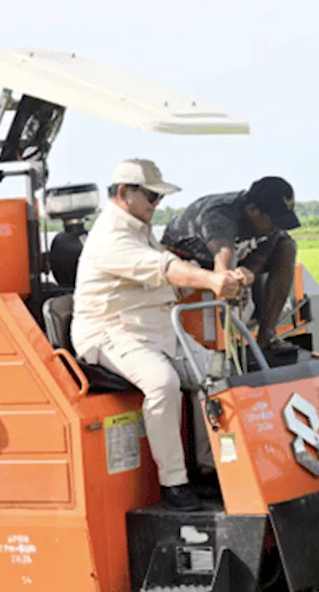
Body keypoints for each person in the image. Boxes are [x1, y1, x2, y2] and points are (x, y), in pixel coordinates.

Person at [72, 159, 246, 511]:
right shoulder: (110, 237)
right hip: (111, 332)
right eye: (151, 196)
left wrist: (222, 275)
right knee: (162, 383)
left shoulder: (139, 228)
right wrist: (212, 280)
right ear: (124, 193)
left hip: (155, 329)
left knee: (216, 371)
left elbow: (171, 262)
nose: (157, 204)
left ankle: (209, 468)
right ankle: (175, 483)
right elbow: (163, 268)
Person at [161, 176, 301, 352]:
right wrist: (231, 284)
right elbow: (224, 256)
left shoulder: (270, 226)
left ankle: (267, 337)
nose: (278, 228)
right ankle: (224, 349)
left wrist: (248, 274)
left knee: (287, 246)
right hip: (189, 257)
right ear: (252, 211)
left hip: (234, 253)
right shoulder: (219, 215)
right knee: (227, 286)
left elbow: (259, 257)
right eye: (274, 222)